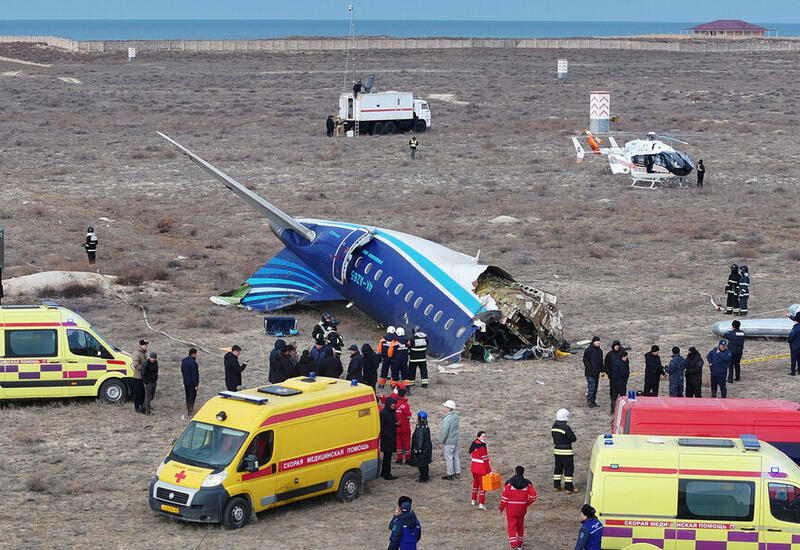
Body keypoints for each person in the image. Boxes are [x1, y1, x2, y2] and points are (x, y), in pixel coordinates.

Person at [499, 465, 537, 550]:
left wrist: (501, 507)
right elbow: (533, 496)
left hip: (511, 510)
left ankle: (514, 545)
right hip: (521, 509)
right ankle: (519, 545)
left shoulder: (509, 483)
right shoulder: (527, 483)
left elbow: (504, 498)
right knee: (520, 527)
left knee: (511, 527)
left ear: (515, 472)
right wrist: (527, 503)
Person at [552, 408, 578, 493]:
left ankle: (556, 486)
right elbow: (573, 438)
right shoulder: (566, 428)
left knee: (558, 468)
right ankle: (568, 488)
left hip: (557, 451)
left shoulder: (554, 426)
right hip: (567, 451)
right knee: (568, 469)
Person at [469, 431, 492, 510]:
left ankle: (473, 500)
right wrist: (490, 471)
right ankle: (481, 503)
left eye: (485, 436)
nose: (484, 438)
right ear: (479, 437)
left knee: (475, 484)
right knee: (483, 487)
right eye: (483, 436)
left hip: (474, 468)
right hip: (481, 470)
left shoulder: (474, 444)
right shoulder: (482, 446)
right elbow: (485, 460)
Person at [439, 399, 461, 480]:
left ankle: (450, 474)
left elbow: (445, 432)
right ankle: (457, 472)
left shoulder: (447, 419)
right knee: (456, 456)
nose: (443, 408)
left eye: (445, 407)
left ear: (449, 409)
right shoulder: (456, 417)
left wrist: (441, 441)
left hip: (449, 441)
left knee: (449, 458)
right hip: (455, 440)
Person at [410, 411, 432, 482]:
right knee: (425, 464)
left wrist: (417, 449)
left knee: (421, 464)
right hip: (426, 449)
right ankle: (425, 476)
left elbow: (419, 440)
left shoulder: (420, 428)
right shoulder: (426, 426)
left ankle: (423, 478)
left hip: (422, 450)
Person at [379, 396, 398, 480]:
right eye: (393, 403)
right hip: (387, 439)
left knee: (388, 456)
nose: (394, 405)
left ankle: (385, 472)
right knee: (387, 457)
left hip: (391, 437)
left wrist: (396, 424)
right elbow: (381, 427)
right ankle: (386, 473)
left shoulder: (392, 412)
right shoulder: (383, 413)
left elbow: (392, 422)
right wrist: (388, 434)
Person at [582, 337, 603, 408]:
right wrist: (590, 368)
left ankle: (593, 401)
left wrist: (603, 370)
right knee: (591, 387)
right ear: (593, 342)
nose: (598, 342)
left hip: (597, 373)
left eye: (599, 341)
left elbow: (600, 362)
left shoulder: (600, 351)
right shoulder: (588, 350)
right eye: (596, 341)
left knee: (595, 388)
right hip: (590, 373)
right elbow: (585, 360)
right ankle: (589, 401)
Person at [395, 386, 413, 463]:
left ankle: (399, 458)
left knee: (398, 443)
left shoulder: (394, 403)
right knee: (406, 443)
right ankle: (408, 458)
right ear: (405, 395)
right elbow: (409, 415)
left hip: (396, 427)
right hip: (405, 428)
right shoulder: (405, 405)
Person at [603, 340, 623, 406]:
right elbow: (606, 364)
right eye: (615, 345)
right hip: (612, 376)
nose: (617, 347)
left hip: (621, 376)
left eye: (618, 345)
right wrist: (608, 373)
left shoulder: (622, 353)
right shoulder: (609, 354)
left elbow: (626, 364)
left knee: (622, 391)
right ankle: (613, 403)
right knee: (612, 390)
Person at [131, 339, 149, 413]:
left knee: (142, 392)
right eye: (145, 345)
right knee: (138, 393)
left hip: (143, 376)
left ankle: (142, 406)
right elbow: (135, 365)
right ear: (141, 345)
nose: (146, 346)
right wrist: (144, 368)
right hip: (138, 377)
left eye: (146, 345)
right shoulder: (137, 353)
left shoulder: (143, 353)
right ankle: (137, 407)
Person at [181, 348, 199, 416]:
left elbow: (182, 370)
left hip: (186, 381)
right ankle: (191, 409)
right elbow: (195, 375)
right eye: (196, 354)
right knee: (192, 396)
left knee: (187, 395)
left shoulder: (184, 361)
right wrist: (196, 385)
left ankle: (188, 408)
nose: (196, 355)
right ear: (193, 354)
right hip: (192, 383)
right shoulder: (194, 363)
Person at [788, 311, 800, 376]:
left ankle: (793, 372)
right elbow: (796, 318)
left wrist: (789, 341)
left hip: (794, 347)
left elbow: (791, 337)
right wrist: (789, 316)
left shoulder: (795, 328)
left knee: (793, 360)